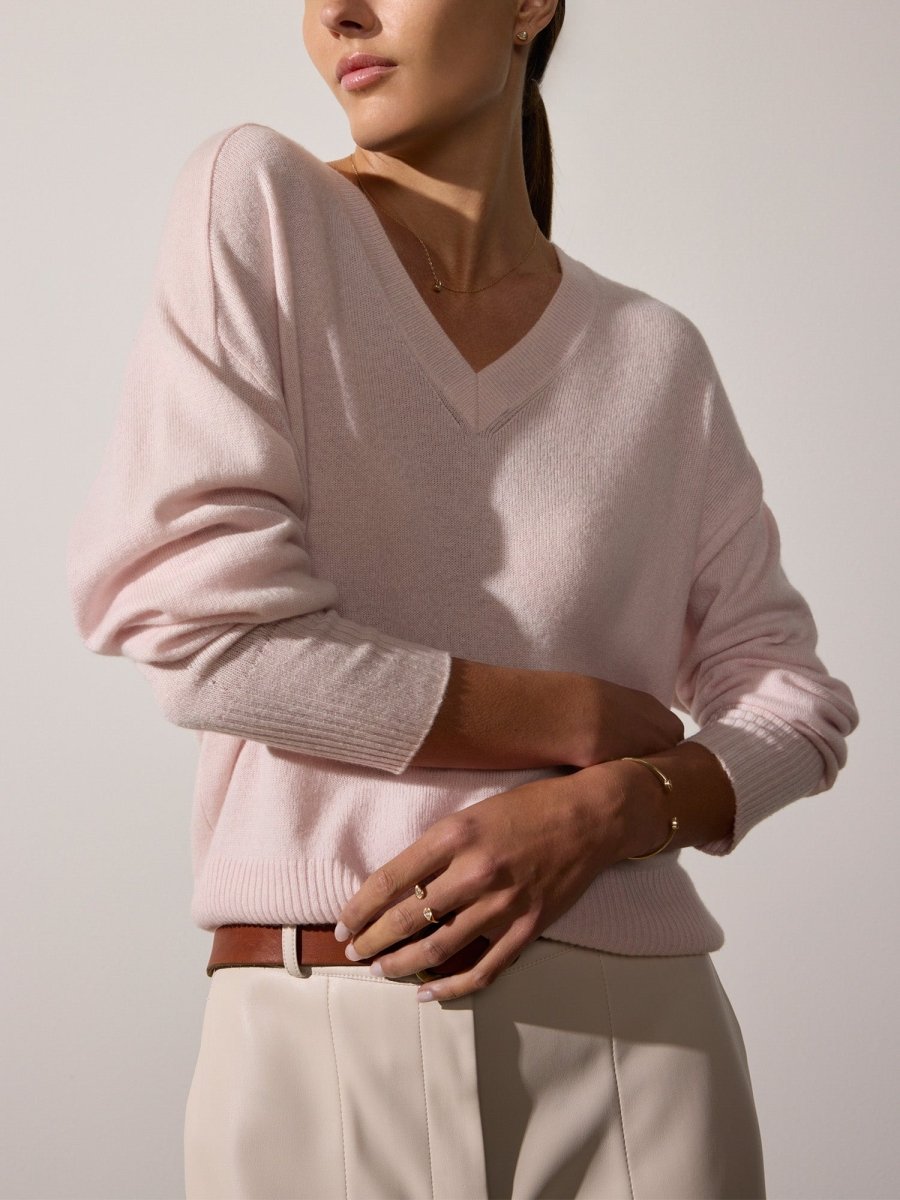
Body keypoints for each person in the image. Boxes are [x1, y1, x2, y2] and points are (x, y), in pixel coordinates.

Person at [65, 1, 860, 1197]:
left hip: (640, 1038)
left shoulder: (654, 354)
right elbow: (202, 634)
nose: (341, 12)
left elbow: (794, 699)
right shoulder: (262, 201)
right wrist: (571, 717)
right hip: (330, 1020)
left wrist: (615, 811)